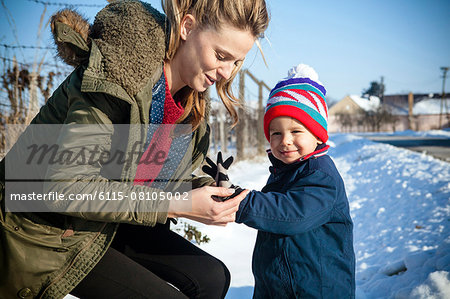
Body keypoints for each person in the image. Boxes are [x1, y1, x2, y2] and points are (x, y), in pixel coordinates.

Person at [0, 0, 269, 298]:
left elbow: (143, 175)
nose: (226, 73)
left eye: (236, 62)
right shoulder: (115, 77)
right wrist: (180, 204)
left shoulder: (187, 101)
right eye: (221, 56)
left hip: (104, 218)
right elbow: (66, 188)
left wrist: (206, 192)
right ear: (187, 27)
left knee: (212, 276)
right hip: (43, 226)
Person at [233, 64, 355, 298]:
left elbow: (291, 215)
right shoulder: (285, 170)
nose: (285, 141)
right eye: (276, 133)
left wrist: (242, 202)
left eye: (296, 131)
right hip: (278, 286)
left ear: (317, 134)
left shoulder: (321, 175)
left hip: (316, 290)